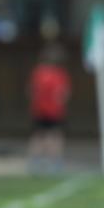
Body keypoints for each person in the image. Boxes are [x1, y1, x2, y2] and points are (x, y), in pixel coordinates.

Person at [28, 43, 71, 173]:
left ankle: (35, 162)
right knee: (54, 136)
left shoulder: (38, 72)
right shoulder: (59, 74)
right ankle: (55, 162)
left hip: (39, 110)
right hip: (54, 111)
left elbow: (32, 91)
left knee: (39, 136)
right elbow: (63, 94)